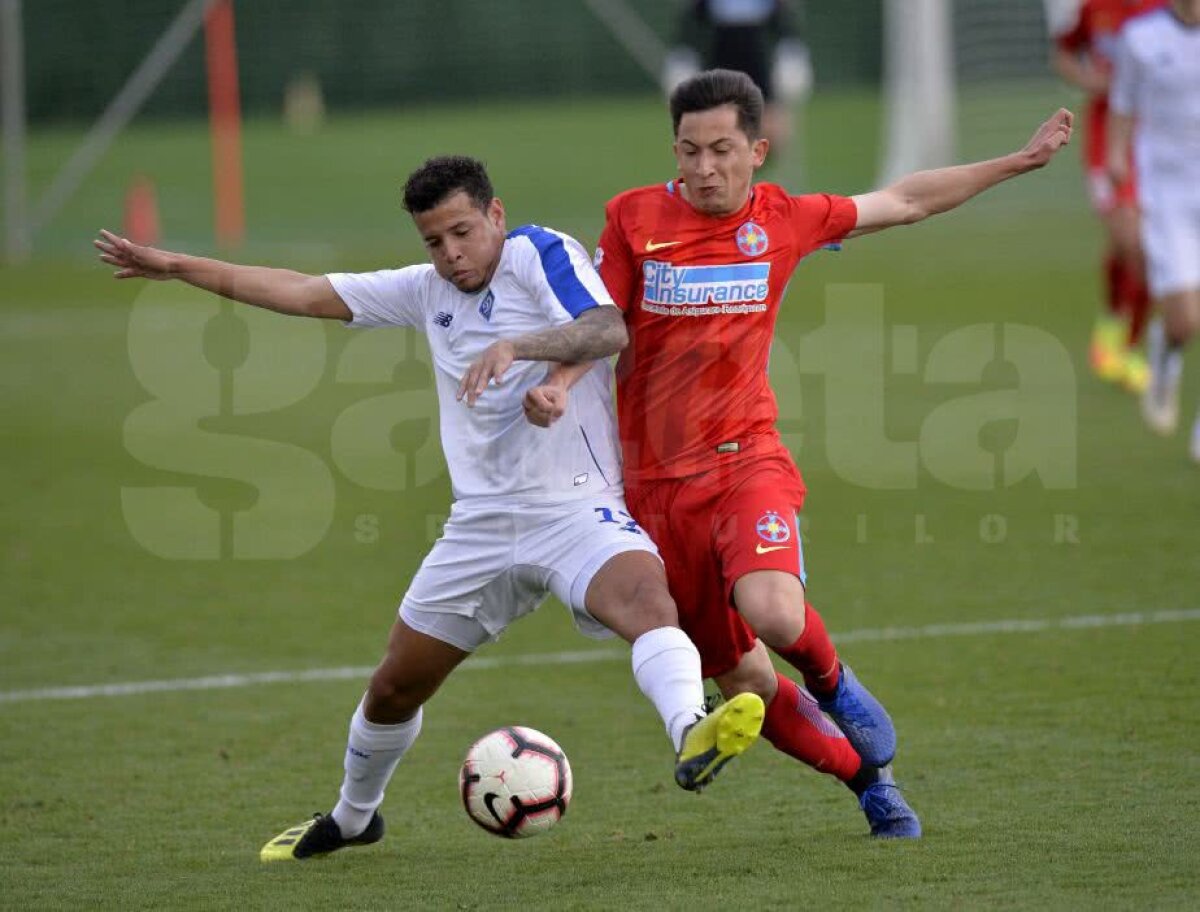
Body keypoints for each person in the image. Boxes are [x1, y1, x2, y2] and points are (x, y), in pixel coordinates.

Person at [94, 155, 766, 862]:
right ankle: (356, 816)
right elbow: (300, 291)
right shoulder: (425, 291)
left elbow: (605, 329)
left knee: (643, 600)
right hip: (478, 527)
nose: (451, 254)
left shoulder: (539, 254)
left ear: (495, 215)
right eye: (434, 241)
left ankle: (692, 726)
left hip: (574, 509)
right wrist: (177, 266)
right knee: (394, 686)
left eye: (463, 232)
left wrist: (521, 349)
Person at [535, 70, 1073, 838]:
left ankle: (834, 682)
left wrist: (1014, 164)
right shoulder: (632, 219)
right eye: (689, 151)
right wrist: (558, 381)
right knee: (745, 680)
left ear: (758, 149)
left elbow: (906, 201)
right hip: (654, 487)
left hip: (744, 455)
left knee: (773, 609)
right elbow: (601, 321)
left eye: (722, 150)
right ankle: (867, 784)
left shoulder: (784, 218)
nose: (705, 168)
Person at [1053, 0, 1164, 393]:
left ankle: (1123, 337)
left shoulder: (1166, 8)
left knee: (1136, 248)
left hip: (1157, 140)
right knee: (1133, 243)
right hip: (1107, 141)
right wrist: (1090, 81)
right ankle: (1121, 337)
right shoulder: (1095, 8)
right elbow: (1064, 51)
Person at [1108, 0, 1200, 461]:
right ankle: (1167, 347)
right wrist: (1118, 164)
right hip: (1167, 196)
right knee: (1186, 317)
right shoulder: (1141, 38)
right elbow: (1122, 108)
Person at [663, 0, 812, 163]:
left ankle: (744, 173)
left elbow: (784, 25)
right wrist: (682, 59)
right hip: (720, 61)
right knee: (714, 130)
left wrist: (791, 55)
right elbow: (690, 26)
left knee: (772, 134)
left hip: (758, 62)